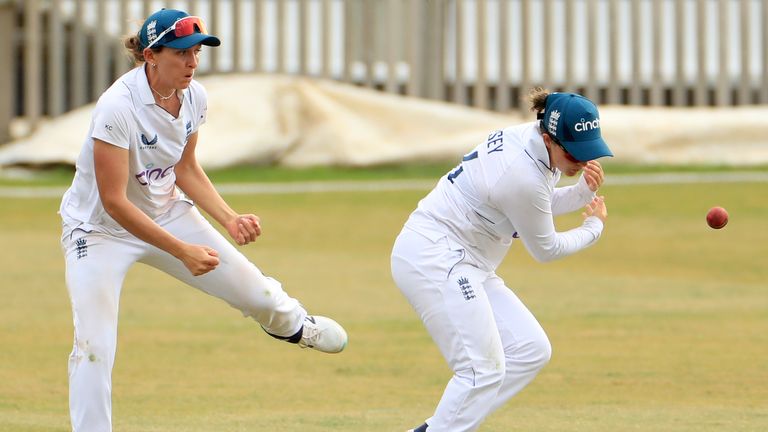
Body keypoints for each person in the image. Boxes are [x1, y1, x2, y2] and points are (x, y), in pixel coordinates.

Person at [59, 9, 347, 431]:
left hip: (168, 212)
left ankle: (295, 325)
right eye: (182, 54)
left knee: (261, 297)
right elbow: (115, 201)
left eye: (196, 52)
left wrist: (229, 219)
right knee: (93, 346)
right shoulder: (116, 107)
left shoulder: (195, 95)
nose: (193, 62)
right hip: (98, 231)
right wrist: (181, 251)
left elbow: (185, 168)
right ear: (152, 55)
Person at [391, 89, 613, 432]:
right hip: (436, 256)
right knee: (482, 371)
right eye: (573, 153)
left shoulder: (531, 147)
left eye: (588, 152)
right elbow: (545, 248)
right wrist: (593, 227)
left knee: (530, 349)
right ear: (547, 137)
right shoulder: (521, 173)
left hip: (471, 260)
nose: (582, 162)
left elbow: (533, 206)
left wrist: (582, 192)